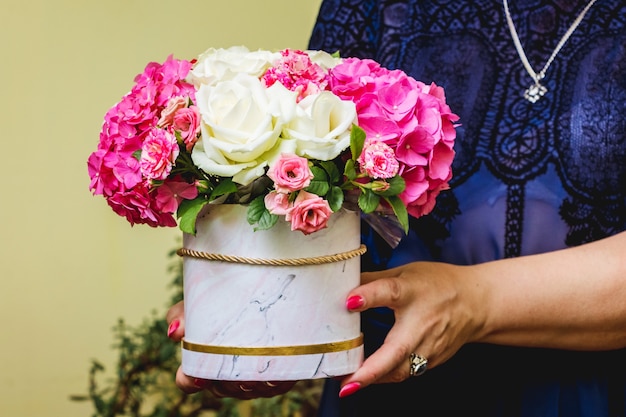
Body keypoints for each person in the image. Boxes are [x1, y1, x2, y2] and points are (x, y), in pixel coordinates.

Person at [166, 0, 626, 415]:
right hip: (389, 381)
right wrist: (270, 308)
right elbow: (308, 171)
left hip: (588, 393)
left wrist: (471, 301)